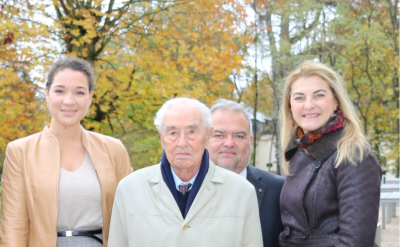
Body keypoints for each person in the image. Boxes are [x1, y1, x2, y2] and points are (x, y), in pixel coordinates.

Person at [0, 57, 133, 247]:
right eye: (60, 91)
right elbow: (13, 227)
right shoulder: (20, 152)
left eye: (79, 92)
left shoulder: (113, 149)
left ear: (90, 97)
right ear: (47, 94)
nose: (69, 101)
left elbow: (132, 216)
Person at [108, 97, 263, 247]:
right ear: (161, 136)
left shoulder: (242, 192)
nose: (182, 143)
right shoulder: (129, 190)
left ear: (208, 134)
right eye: (173, 133)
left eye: (191, 132)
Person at [278, 60, 381, 246]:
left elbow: (356, 241)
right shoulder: (298, 151)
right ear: (290, 107)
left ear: (336, 102)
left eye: (319, 95)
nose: (308, 105)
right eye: (299, 98)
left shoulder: (354, 155)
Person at [208, 99, 285, 247]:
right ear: (205, 139)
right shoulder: (187, 189)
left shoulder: (279, 190)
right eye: (219, 135)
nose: (229, 143)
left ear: (250, 141)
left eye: (239, 136)